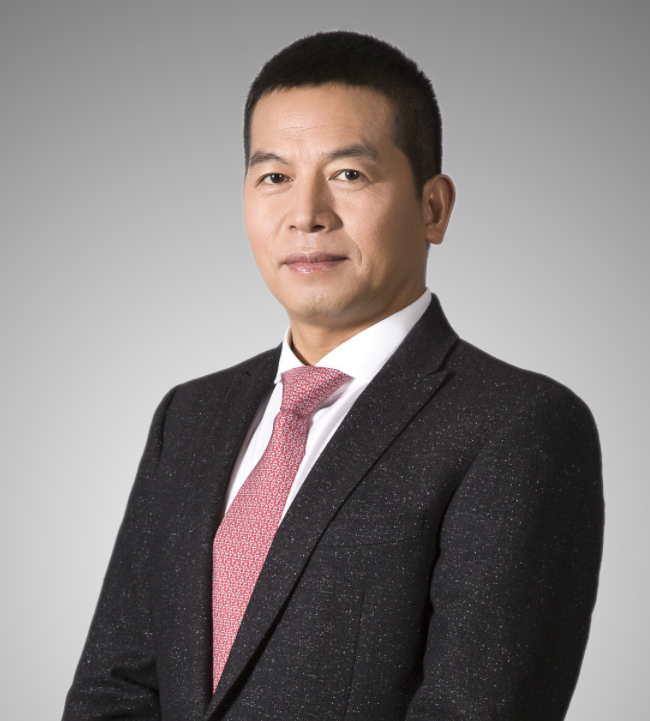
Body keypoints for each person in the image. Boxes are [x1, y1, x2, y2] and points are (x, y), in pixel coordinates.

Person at [62, 31, 604, 721]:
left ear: (433, 207)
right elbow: (113, 688)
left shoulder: (517, 426)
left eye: (348, 174)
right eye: (274, 177)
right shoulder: (189, 417)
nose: (306, 215)